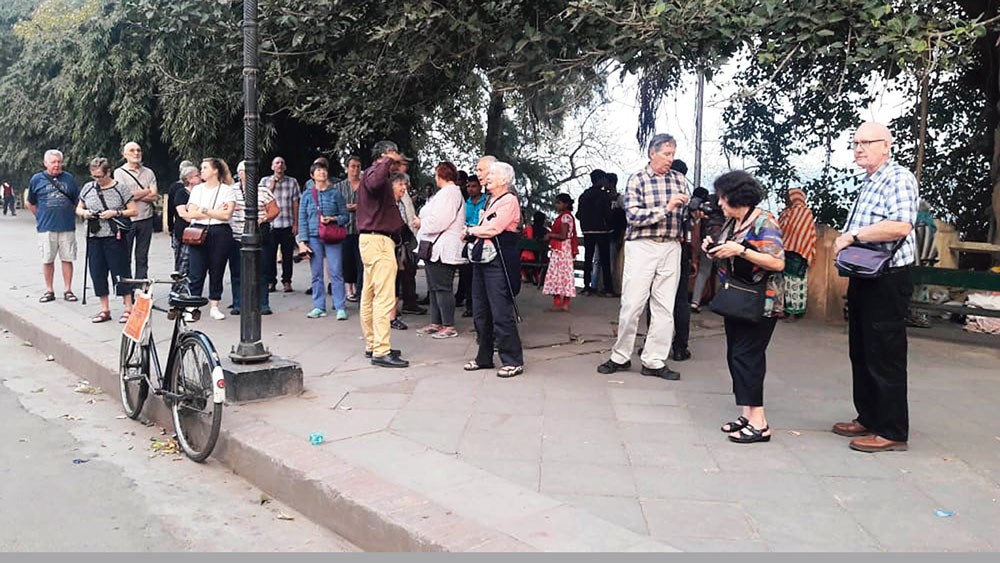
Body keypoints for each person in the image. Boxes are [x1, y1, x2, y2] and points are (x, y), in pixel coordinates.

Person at [831, 122, 918, 453]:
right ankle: (868, 415)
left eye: (867, 142)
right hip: (865, 275)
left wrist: (853, 236)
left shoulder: (898, 178)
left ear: (887, 145)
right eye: (855, 142)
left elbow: (900, 225)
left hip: (888, 278)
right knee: (862, 349)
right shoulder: (870, 181)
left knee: (886, 353)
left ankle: (892, 429)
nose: (859, 148)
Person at [597, 133, 689, 381]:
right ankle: (620, 356)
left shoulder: (680, 180)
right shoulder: (637, 180)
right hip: (642, 246)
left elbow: (684, 214)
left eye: (673, 154)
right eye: (666, 154)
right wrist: (666, 209)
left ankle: (654, 359)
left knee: (664, 307)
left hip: (671, 245)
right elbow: (634, 217)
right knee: (632, 304)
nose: (670, 159)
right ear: (652, 153)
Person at [702, 171, 785, 444]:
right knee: (735, 355)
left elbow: (777, 262)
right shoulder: (733, 222)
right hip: (737, 297)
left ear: (736, 197)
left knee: (748, 357)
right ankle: (747, 414)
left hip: (761, 301)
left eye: (722, 198)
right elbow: (728, 252)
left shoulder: (765, 221)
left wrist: (741, 251)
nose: (719, 204)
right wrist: (713, 248)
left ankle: (760, 422)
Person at [464, 161, 524, 378]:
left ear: (504, 179)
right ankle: (484, 357)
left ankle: (512, 359)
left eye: (493, 174)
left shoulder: (509, 201)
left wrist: (471, 230)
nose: (488, 177)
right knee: (481, 310)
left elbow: (494, 228)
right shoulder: (491, 200)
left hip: (498, 262)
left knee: (500, 311)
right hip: (482, 259)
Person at [357, 141, 409, 368]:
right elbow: (378, 179)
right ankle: (381, 350)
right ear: (384, 155)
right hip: (379, 242)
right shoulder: (374, 174)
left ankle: (373, 344)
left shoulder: (372, 177)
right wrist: (389, 160)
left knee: (369, 296)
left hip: (372, 241)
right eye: (393, 157)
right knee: (384, 297)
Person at [76, 157, 138, 323]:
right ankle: (105, 309)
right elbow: (78, 208)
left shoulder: (121, 188)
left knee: (121, 271)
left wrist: (115, 213)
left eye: (100, 177)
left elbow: (133, 211)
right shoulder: (88, 188)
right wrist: (85, 213)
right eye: (94, 176)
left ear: (108, 172)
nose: (97, 180)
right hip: (93, 236)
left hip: (114, 236)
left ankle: (128, 308)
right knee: (97, 272)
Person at [178, 158, 236, 321]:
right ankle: (193, 305)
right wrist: (212, 211)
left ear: (215, 170)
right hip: (198, 230)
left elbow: (226, 215)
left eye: (204, 168)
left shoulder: (226, 190)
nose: (201, 171)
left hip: (220, 232)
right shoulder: (197, 190)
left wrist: (203, 209)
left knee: (217, 270)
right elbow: (191, 212)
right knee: (196, 270)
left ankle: (214, 306)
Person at [415, 162, 467, 339]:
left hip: (443, 247)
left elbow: (440, 220)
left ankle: (448, 325)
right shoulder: (446, 193)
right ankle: (436, 322)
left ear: (441, 175)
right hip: (435, 247)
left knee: (443, 287)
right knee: (434, 287)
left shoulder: (450, 193)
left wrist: (422, 223)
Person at [297, 161, 350, 320]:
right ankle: (319, 306)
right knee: (316, 273)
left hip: (332, 236)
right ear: (312, 176)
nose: (322, 173)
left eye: (324, 170)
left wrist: (333, 219)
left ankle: (340, 306)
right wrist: (302, 241)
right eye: (318, 171)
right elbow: (302, 218)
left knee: (336, 272)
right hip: (313, 238)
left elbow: (345, 216)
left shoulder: (336, 194)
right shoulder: (307, 195)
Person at [27, 149, 80, 303]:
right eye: (53, 162)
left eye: (59, 162)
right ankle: (49, 290)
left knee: (67, 258)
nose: (57, 165)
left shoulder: (68, 178)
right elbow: (30, 202)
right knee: (47, 259)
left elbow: (76, 200)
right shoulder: (37, 179)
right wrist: (40, 216)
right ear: (45, 163)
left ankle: (68, 289)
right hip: (46, 227)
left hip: (67, 226)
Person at [230, 160, 279, 316]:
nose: (248, 174)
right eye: (245, 171)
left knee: (261, 271)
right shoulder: (230, 191)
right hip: (236, 236)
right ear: (239, 173)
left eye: (251, 171)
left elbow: (275, 210)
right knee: (237, 272)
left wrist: (263, 219)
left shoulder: (263, 191)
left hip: (259, 236)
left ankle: (263, 303)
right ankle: (238, 303)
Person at [113, 142, 158, 280]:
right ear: (124, 154)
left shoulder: (148, 172)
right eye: (132, 150)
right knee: (125, 256)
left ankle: (141, 289)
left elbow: (154, 196)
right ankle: (128, 290)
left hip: (146, 218)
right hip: (128, 220)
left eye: (138, 150)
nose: (136, 153)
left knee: (142, 256)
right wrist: (146, 191)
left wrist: (133, 195)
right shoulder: (119, 173)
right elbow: (123, 196)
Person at [260, 156, 300, 293]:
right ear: (272, 167)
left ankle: (287, 281)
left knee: (287, 255)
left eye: (282, 163)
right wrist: (271, 187)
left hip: (287, 223)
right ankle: (270, 281)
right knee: (269, 256)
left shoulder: (292, 182)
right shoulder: (264, 181)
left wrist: (296, 223)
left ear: (285, 167)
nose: (280, 165)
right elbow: (261, 201)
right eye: (277, 163)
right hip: (270, 224)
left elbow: (295, 203)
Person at [777, 187, 817, 321]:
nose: (786, 200)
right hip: (784, 250)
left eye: (788, 197)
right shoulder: (785, 213)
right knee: (782, 282)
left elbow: (807, 234)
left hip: (799, 252)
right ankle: (783, 310)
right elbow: (780, 229)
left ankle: (794, 312)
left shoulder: (805, 212)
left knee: (795, 283)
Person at [577, 169, 614, 296]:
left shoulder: (584, 195)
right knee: (605, 260)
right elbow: (608, 214)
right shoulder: (604, 195)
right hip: (602, 231)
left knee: (588, 259)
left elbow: (578, 214)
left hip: (587, 230)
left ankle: (587, 287)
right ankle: (608, 288)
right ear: (600, 180)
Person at [455, 175, 488, 316]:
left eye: (473, 186)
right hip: (467, 238)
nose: (470, 189)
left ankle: (480, 307)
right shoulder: (466, 202)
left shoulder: (486, 201)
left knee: (480, 275)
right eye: (468, 186)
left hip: (482, 238)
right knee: (466, 274)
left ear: (480, 187)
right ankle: (470, 305)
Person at [542, 194, 578, 312]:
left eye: (558, 203)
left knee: (558, 274)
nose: (556, 205)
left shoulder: (564, 218)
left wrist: (550, 234)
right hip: (564, 249)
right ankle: (563, 303)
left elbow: (563, 235)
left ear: (565, 204)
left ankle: (559, 302)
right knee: (564, 275)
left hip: (561, 249)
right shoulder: (567, 217)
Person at [691, 190, 726, 311]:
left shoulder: (705, 206)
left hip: (707, 241)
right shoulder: (728, 207)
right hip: (723, 242)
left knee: (703, 272)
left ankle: (695, 301)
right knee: (724, 273)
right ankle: (724, 301)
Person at [336, 155, 363, 302]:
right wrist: (345, 208)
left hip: (361, 229)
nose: (355, 169)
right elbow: (333, 206)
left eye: (358, 166)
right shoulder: (339, 187)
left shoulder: (365, 186)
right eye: (353, 166)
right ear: (347, 168)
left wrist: (359, 207)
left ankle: (360, 292)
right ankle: (348, 290)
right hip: (344, 229)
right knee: (346, 262)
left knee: (361, 263)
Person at [171, 166, 200, 277]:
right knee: (182, 261)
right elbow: (182, 213)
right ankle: (178, 287)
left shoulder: (201, 192)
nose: (200, 177)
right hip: (184, 230)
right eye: (197, 175)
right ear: (189, 179)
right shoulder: (181, 193)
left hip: (199, 232)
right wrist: (196, 219)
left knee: (194, 262)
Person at [520, 211, 548, 284]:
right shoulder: (546, 232)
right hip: (540, 258)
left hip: (525, 256)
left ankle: (525, 276)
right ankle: (538, 277)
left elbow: (521, 239)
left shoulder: (528, 229)